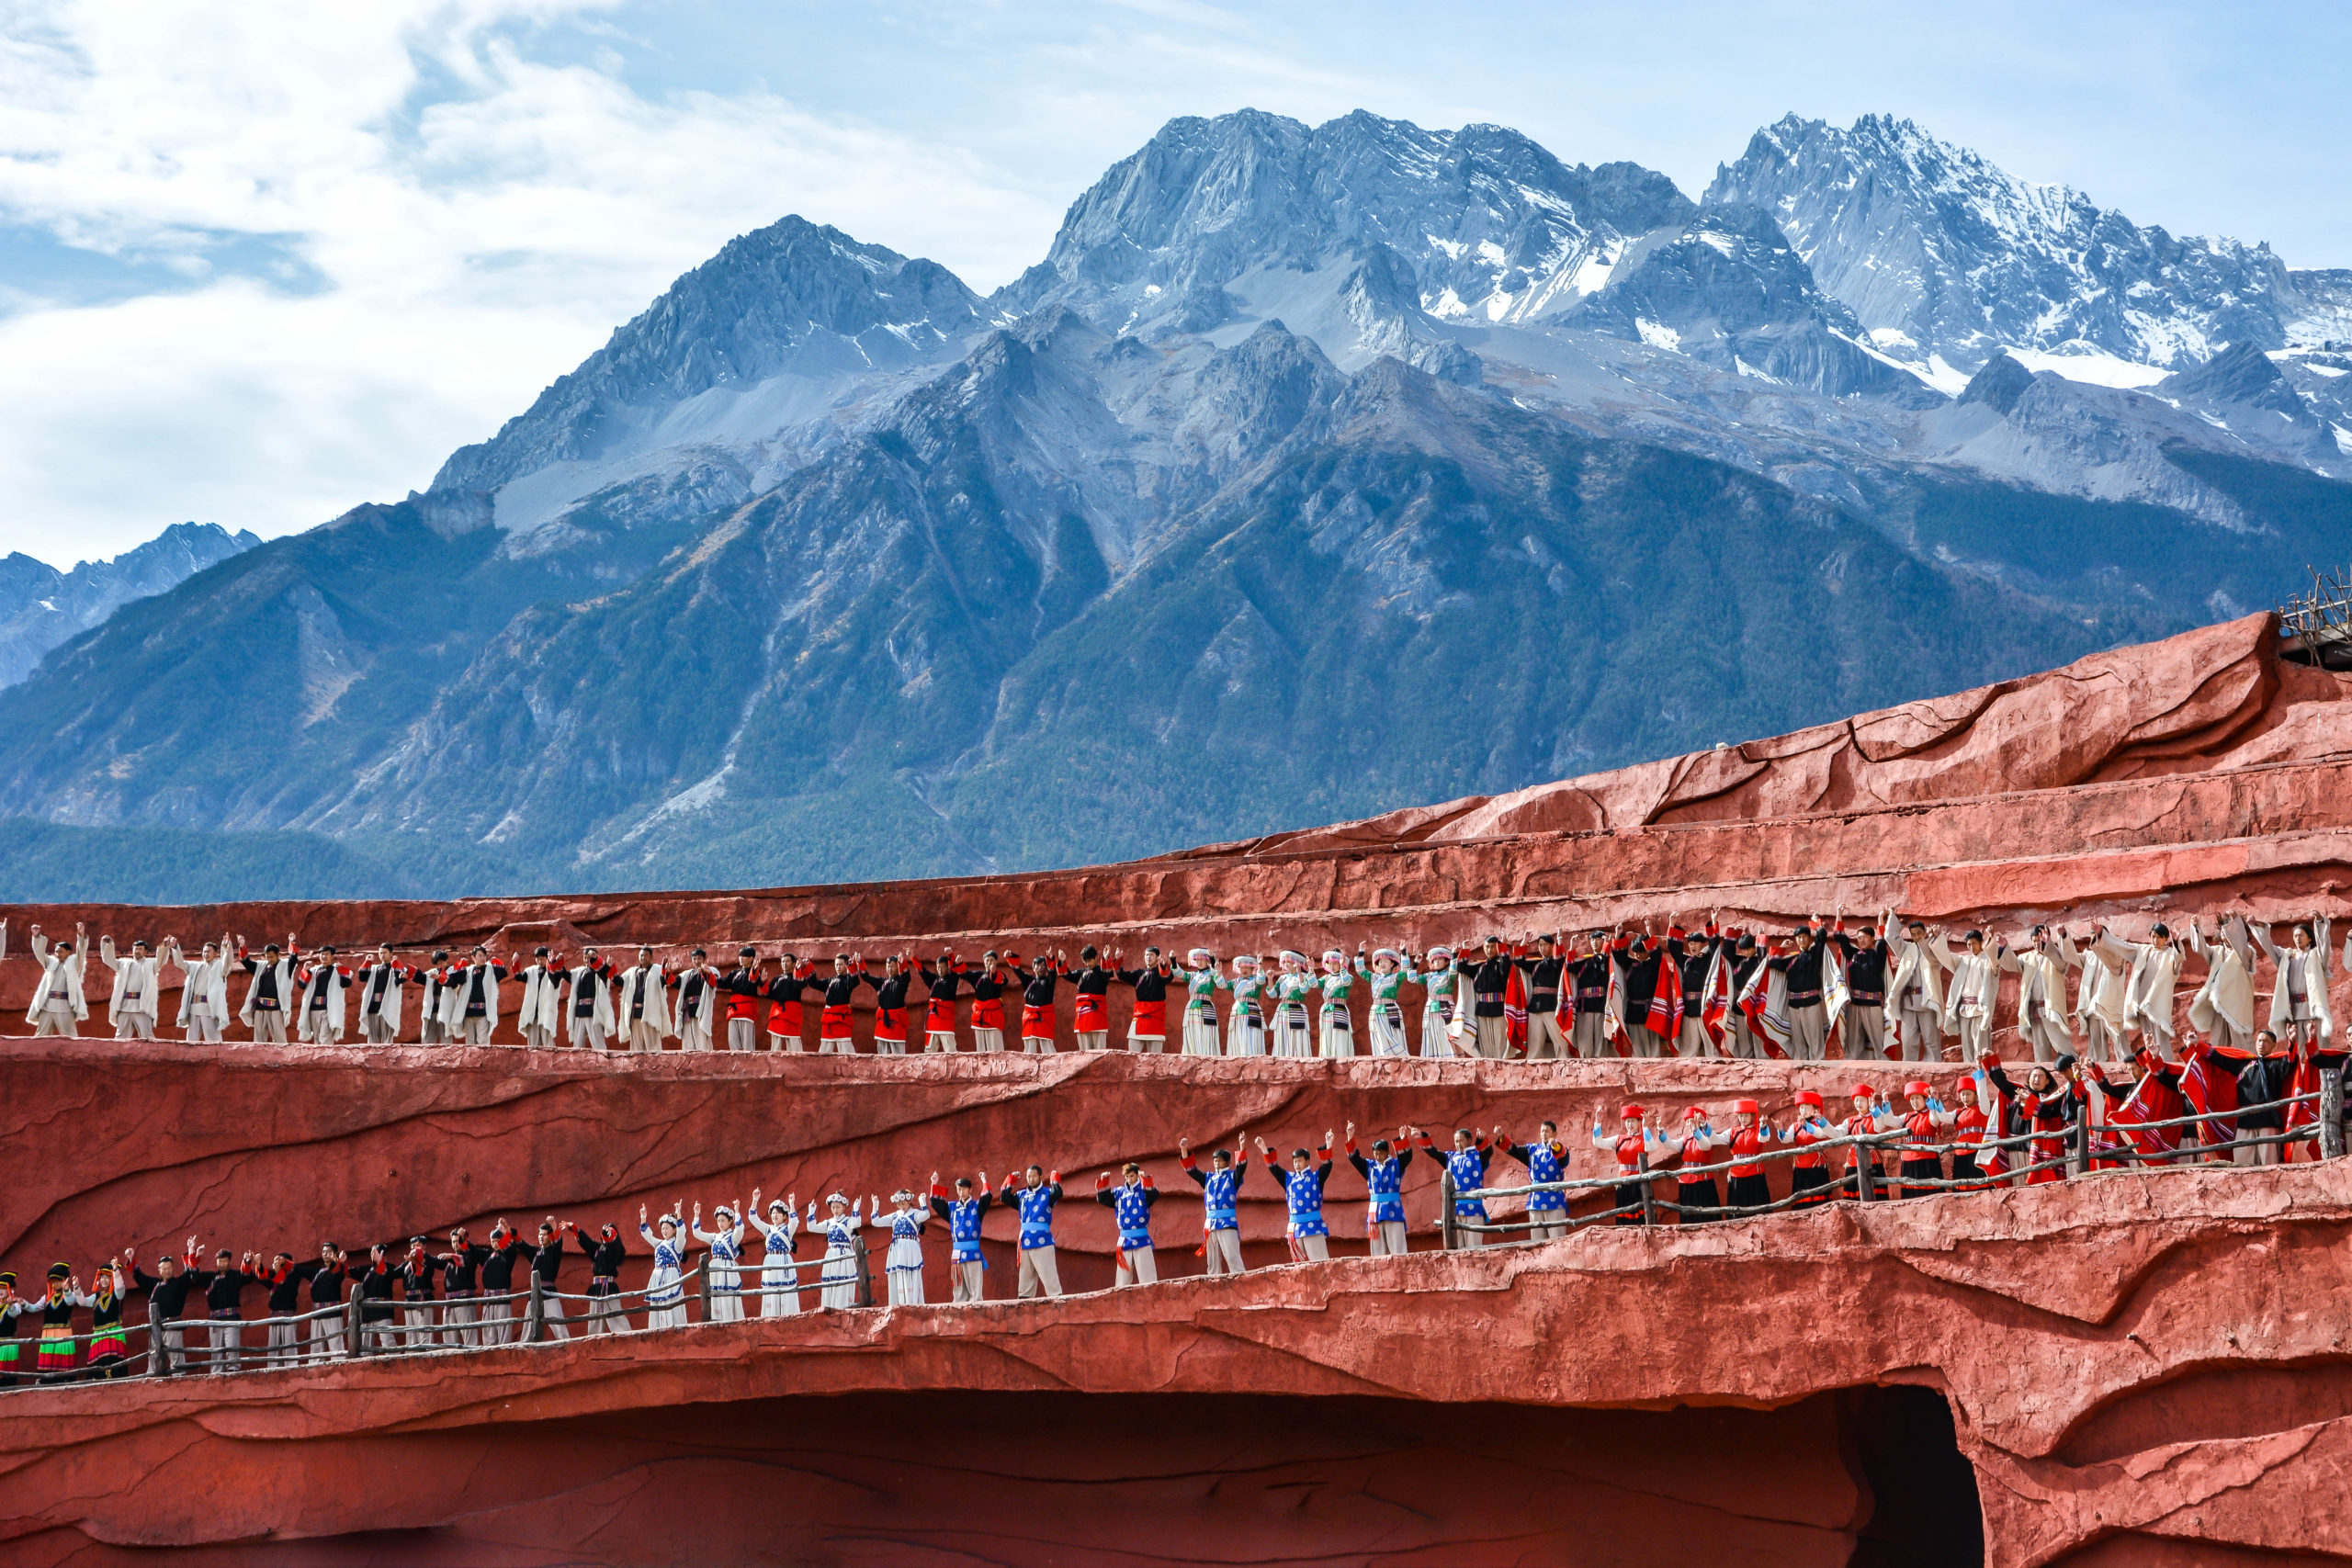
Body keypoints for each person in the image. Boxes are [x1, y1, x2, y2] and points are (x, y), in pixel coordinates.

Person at [2254, 917, 2335, 1050]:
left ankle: (2324, 1067)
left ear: (2309, 938)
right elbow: (2269, 947)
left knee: (2320, 1049)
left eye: (2301, 935)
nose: (2297, 938)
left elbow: (2323, 944)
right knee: (2298, 1051)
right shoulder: (2287, 956)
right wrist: (2259, 928)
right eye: (2295, 936)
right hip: (2294, 1012)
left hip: (2313, 1010)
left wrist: (2320, 922)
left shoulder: (2317, 956)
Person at [127, 1241, 203, 1374]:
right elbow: (139, 1276)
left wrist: (191, 1249)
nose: (168, 1271)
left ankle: (179, 1379)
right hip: (156, 1328)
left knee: (176, 1358)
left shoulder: (180, 1283)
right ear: (159, 1270)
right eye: (164, 1268)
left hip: (173, 1325)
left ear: (173, 1268)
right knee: (154, 1358)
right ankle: (154, 1380)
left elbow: (189, 1271)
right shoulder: (154, 1285)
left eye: (170, 1268)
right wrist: (131, 1258)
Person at [2001, 926, 2074, 1063]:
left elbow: (2062, 964)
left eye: (2039, 940)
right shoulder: (2027, 958)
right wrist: (2004, 948)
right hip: (2034, 1010)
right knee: (2040, 1052)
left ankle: (2076, 1071)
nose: (2036, 944)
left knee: (2064, 1047)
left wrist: (2049, 945)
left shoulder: (2055, 956)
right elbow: (2012, 965)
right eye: (2034, 941)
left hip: (2051, 1010)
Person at [1180, 1137, 1251, 1274]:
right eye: (1215, 1160)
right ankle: (1213, 1285)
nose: (1216, 1163)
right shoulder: (1208, 1178)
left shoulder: (1233, 1177)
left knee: (1233, 1259)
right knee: (1212, 1263)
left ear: (1227, 1162)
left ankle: (1243, 1284)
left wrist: (1242, 1147)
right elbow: (1192, 1171)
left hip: (1227, 1223)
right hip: (1210, 1225)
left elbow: (1241, 1167)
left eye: (1219, 1160)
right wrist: (1184, 1150)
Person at [1590, 1106, 1671, 1224]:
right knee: (1623, 1212)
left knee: (1640, 1213)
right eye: (1627, 1121)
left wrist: (1645, 1127)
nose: (1629, 1124)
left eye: (1632, 1121)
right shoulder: (1619, 1139)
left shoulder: (1643, 1138)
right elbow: (1598, 1142)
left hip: (1639, 1181)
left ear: (1639, 1122)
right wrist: (1598, 1122)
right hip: (1623, 1181)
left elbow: (1651, 1147)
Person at [2064, 927, 2132, 1064]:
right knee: (2096, 1046)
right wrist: (2064, 936)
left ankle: (2128, 1066)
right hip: (2093, 1007)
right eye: (2093, 938)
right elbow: (2071, 956)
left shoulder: (2115, 953)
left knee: (2120, 1041)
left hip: (2111, 1005)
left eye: (2099, 936)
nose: (2095, 940)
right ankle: (2096, 1069)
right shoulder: (2089, 956)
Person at [1261, 1134, 1334, 1261]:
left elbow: (1326, 1166)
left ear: (1307, 1161)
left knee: (1320, 1263)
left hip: (1313, 1227)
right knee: (1299, 1267)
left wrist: (1329, 1144)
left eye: (1300, 1160)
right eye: (1295, 1161)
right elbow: (1274, 1169)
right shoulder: (1289, 1179)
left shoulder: (1316, 1177)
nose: (1297, 1164)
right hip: (1294, 1229)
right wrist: (1263, 1148)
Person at [1345, 1124, 1415, 1255]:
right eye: (1375, 1153)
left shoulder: (1396, 1164)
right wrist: (1350, 1136)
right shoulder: (1370, 1167)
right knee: (1377, 1252)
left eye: (1381, 1153)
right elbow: (1354, 1158)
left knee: (1398, 1250)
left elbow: (1406, 1157)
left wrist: (1402, 1139)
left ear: (1387, 1152)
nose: (1378, 1156)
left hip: (1393, 1210)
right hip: (1375, 1213)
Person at [1494, 1122, 1570, 1240]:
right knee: (1537, 1241)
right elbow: (1515, 1151)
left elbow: (1564, 1160)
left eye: (1547, 1131)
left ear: (1555, 1134)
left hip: (1555, 1200)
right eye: (1542, 1131)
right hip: (1536, 1201)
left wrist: (1555, 1146)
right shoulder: (1532, 1150)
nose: (1544, 1133)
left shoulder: (1560, 1150)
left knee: (1557, 1239)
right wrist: (1502, 1137)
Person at [1831, 919, 1894, 1061]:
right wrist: (1839, 915)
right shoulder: (1853, 954)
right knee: (1853, 1042)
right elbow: (1840, 938)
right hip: (1855, 1005)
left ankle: (1883, 1063)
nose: (1861, 940)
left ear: (1872, 938)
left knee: (1878, 1041)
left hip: (1873, 1005)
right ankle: (1851, 1064)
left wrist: (1880, 920)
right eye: (1859, 938)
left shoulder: (1878, 955)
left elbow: (1882, 942)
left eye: (1865, 937)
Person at [1421, 1127, 1497, 1247]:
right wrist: (1421, 1136)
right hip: (1455, 1211)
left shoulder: (1477, 1157)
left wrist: (1481, 1140)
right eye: (1456, 1141)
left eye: (1461, 1140)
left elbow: (1488, 1152)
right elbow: (1434, 1153)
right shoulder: (1451, 1158)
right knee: (1458, 1248)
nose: (1458, 1144)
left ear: (1469, 1140)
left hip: (1473, 1210)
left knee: (1474, 1247)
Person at [996, 1167, 1064, 1297]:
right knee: (1025, 1277)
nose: (1031, 1179)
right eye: (1029, 1176)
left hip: (1043, 1240)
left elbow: (1058, 1193)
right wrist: (1011, 1179)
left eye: (1034, 1176)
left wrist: (1054, 1179)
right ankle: (1024, 1301)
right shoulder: (1022, 1195)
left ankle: (1057, 1300)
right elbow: (1005, 1197)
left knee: (1049, 1275)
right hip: (1025, 1241)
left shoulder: (1047, 1193)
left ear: (1040, 1177)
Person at [1887, 919, 1948, 1064]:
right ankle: (1909, 1069)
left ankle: (1933, 1068)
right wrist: (1892, 916)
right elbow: (1890, 937)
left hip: (1928, 1002)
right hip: (1908, 1003)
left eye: (1919, 933)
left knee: (1931, 1041)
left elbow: (1943, 956)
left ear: (1925, 932)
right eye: (1913, 934)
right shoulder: (1906, 949)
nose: (1916, 937)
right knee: (1908, 1041)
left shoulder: (1933, 948)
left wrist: (1937, 937)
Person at [189, 1246, 257, 1373]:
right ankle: (216, 1372)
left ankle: (233, 1370)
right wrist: (194, 1253)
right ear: (216, 1262)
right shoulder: (210, 1277)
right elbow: (194, 1274)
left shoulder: (235, 1276)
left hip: (232, 1318)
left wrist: (247, 1261)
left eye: (225, 1261)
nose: (222, 1264)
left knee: (232, 1346)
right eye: (219, 1261)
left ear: (229, 1262)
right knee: (216, 1349)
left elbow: (247, 1277)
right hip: (215, 1319)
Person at [2233, 1030, 2296, 1167]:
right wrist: (2198, 1045)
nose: (2262, 1044)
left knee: (2270, 1165)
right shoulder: (2244, 1065)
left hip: (2268, 1121)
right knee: (2241, 1164)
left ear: (2274, 1045)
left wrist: (2291, 1041)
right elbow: (2219, 1058)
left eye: (2266, 1041)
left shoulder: (2276, 1065)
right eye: (2259, 1040)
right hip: (2245, 1121)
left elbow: (2291, 1060)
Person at [1094, 1164, 1161, 1284]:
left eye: (1132, 1176)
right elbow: (1104, 1199)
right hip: (1124, 1241)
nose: (1129, 1179)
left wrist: (1145, 1179)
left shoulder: (1143, 1191)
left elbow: (1154, 1196)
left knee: (1148, 1279)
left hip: (1142, 1240)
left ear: (1137, 1175)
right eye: (1127, 1176)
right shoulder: (1119, 1192)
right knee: (1122, 1282)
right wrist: (1104, 1181)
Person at [928, 1174, 990, 1303]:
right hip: (957, 1254)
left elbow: (987, 1197)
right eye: (959, 1189)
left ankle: (977, 1308)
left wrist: (984, 1181)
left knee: (975, 1289)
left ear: (970, 1190)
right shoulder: (952, 1208)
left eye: (964, 1189)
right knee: (959, 1290)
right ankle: (958, 1308)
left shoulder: (977, 1206)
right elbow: (935, 1202)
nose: (961, 1192)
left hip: (973, 1253)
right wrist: (934, 1183)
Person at [1894, 1081, 1958, 1197]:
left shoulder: (1931, 1114)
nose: (1914, 1102)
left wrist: (1932, 1101)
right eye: (1912, 1099)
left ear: (1925, 1099)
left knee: (1930, 1193)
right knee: (1910, 1194)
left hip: (1927, 1161)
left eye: (1917, 1098)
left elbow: (1934, 1118)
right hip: (1908, 1161)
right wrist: (1884, 1104)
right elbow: (1889, 1120)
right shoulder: (1906, 1117)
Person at [25, 923, 90, 1037]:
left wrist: (81, 935)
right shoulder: (50, 963)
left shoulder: (74, 964)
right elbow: (40, 954)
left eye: (61, 952)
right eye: (56, 952)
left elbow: (81, 952)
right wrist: (36, 937)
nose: (58, 954)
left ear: (68, 952)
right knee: (40, 1037)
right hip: (47, 1006)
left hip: (65, 1008)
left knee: (71, 1037)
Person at [1717, 1100, 1781, 1215]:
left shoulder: (1758, 1130)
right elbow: (1715, 1139)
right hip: (1736, 1173)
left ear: (1752, 1116)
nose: (1743, 1118)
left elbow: (1764, 1138)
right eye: (1741, 1116)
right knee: (1737, 1208)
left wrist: (1763, 1126)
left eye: (1746, 1115)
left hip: (1755, 1172)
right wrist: (1704, 1127)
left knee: (1758, 1205)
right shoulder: (1732, 1131)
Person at [1513, 935, 1571, 1060]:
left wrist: (1559, 942)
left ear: (1551, 946)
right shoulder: (1535, 964)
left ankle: (1564, 1059)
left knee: (1558, 1037)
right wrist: (1524, 942)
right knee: (1534, 1039)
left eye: (1545, 944)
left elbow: (1561, 958)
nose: (1542, 947)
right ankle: (1532, 1061)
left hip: (1551, 1005)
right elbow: (1518, 961)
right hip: (1535, 1005)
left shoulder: (1557, 963)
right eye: (1540, 945)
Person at [1666, 1108, 1728, 1224]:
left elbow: (1704, 1145)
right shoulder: (1685, 1139)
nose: (1689, 1124)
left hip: (1702, 1178)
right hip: (1686, 1178)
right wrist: (1661, 1131)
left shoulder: (1707, 1137)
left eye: (1692, 1121)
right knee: (1687, 1207)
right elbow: (1671, 1144)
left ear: (1698, 1122)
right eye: (1688, 1122)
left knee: (1704, 1207)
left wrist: (1696, 1131)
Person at [1455, 937, 1513, 1059]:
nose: (1489, 950)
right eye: (1487, 947)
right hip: (1482, 1008)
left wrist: (1503, 946)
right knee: (1485, 1042)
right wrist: (1465, 950)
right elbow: (1461, 968)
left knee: (1500, 1040)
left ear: (1497, 948)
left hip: (1499, 1008)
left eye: (1493, 947)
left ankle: (1501, 1064)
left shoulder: (1501, 966)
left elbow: (1506, 965)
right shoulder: (1478, 967)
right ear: (1483, 947)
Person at [97, 935, 163, 1041]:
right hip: (125, 1007)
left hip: (142, 1008)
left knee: (147, 1037)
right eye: (135, 948)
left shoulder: (151, 964)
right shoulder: (123, 963)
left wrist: (164, 947)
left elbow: (161, 960)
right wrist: (108, 945)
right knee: (120, 1038)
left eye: (140, 949)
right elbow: (108, 959)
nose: (137, 951)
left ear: (145, 951)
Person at [441, 946, 509, 1046]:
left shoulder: (490, 970)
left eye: (484, 956)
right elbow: (455, 980)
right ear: (473, 957)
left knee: (483, 1042)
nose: (483, 958)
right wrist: (459, 967)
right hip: (469, 1013)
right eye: (480, 956)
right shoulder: (468, 971)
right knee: (470, 1043)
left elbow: (502, 974)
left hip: (483, 1013)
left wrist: (497, 963)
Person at [235, 939, 299, 1044]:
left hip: (276, 1008)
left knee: (279, 1037)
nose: (269, 959)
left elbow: (293, 959)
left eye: (272, 957)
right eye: (267, 957)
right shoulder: (261, 966)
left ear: (278, 954)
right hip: (260, 1007)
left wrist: (291, 943)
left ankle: (281, 1055)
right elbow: (247, 962)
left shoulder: (285, 966)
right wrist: (242, 946)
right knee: (258, 1038)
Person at [171, 936, 233, 1043]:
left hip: (209, 1009)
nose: (206, 954)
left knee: (213, 1041)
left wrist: (227, 948)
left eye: (209, 951)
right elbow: (180, 963)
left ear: (215, 954)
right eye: (204, 951)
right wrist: (176, 947)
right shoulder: (195, 966)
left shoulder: (219, 966)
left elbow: (227, 962)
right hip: (193, 1008)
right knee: (191, 1041)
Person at [437, 1227, 493, 1347]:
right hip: (449, 1302)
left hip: (465, 1301)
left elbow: (464, 1261)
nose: (455, 1244)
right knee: (449, 1339)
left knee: (470, 1337)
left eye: (458, 1241)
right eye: (453, 1241)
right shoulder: (448, 1259)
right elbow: (434, 1261)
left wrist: (451, 1256)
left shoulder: (470, 1257)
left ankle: (472, 1358)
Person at [638, 1205, 691, 1329]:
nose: (664, 1231)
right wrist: (643, 1217)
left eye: (667, 1228)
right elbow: (647, 1235)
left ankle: (675, 1327)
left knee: (672, 1302)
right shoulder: (658, 1243)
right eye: (662, 1228)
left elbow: (682, 1233)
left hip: (671, 1276)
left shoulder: (677, 1245)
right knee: (657, 1303)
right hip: (657, 1277)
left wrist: (679, 1215)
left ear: (674, 1230)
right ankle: (657, 1328)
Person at [692, 1201, 746, 1321]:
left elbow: (740, 1229)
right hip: (715, 1271)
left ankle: (729, 1319)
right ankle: (717, 1319)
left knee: (727, 1295)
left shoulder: (733, 1237)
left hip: (727, 1270)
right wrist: (696, 1214)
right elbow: (697, 1233)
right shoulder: (714, 1237)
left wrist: (737, 1211)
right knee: (715, 1295)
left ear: (730, 1221)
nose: (720, 1223)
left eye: (723, 1220)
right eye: (718, 1221)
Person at [78, 1258, 132, 1379]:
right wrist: (76, 1288)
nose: (103, 1280)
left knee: (113, 1361)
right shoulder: (95, 1296)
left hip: (114, 1332)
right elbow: (82, 1302)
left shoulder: (118, 1294)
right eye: (102, 1277)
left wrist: (116, 1270)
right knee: (98, 1363)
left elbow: (119, 1287)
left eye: (107, 1277)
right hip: (98, 1335)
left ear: (112, 1278)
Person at [749, 1192, 800, 1317]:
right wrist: (755, 1200)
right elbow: (753, 1218)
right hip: (770, 1262)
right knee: (771, 1290)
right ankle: (771, 1316)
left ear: (784, 1216)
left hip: (783, 1261)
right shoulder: (768, 1229)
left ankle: (788, 1316)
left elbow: (794, 1221)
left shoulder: (788, 1229)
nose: (774, 1215)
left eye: (778, 1213)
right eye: (772, 1213)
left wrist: (792, 1204)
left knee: (785, 1289)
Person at [1357, 950, 1416, 1059]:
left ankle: (1400, 1058)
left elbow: (1405, 970)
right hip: (1376, 1011)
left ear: (1392, 964)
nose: (1382, 964)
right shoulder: (1373, 978)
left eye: (1385, 961)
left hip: (1390, 1010)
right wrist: (1360, 953)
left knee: (1394, 1035)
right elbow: (1361, 971)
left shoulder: (1395, 977)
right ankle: (1381, 1058)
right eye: (1380, 962)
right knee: (1378, 1036)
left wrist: (1403, 953)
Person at [808, 1194, 865, 1309]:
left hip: (844, 1255)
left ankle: (843, 1306)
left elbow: (857, 1223)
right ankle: (829, 1307)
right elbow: (811, 1227)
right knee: (831, 1280)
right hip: (831, 1254)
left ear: (844, 1207)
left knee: (843, 1279)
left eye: (838, 1207)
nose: (835, 1210)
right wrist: (812, 1211)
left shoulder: (848, 1221)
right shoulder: (828, 1223)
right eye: (833, 1207)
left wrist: (856, 1208)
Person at [873, 1190, 929, 1303]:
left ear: (909, 1201)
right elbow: (876, 1222)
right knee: (899, 1272)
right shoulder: (895, 1216)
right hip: (897, 1248)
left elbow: (926, 1215)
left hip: (911, 1247)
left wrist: (922, 1202)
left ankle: (912, 1301)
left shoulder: (915, 1214)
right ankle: (899, 1301)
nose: (901, 1206)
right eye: (899, 1204)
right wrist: (875, 1205)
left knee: (911, 1273)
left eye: (903, 1203)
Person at [1783, 1091, 1838, 1206]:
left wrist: (1806, 1125)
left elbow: (1820, 1134)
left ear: (1815, 1108)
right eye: (1801, 1107)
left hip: (1816, 1165)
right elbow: (1786, 1139)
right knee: (1802, 1200)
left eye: (1807, 1107)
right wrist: (1779, 1129)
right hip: (1800, 1166)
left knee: (1819, 1200)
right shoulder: (1795, 1126)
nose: (1803, 1110)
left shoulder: (1821, 1123)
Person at [613, 947, 672, 1053]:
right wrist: (610, 967)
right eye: (641, 955)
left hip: (651, 1013)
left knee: (653, 1046)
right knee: (636, 1047)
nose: (643, 957)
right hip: (635, 1013)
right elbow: (620, 982)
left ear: (651, 957)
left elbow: (664, 981)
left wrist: (666, 971)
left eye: (646, 955)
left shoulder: (657, 970)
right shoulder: (631, 972)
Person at [1117, 947, 1173, 1053]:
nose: (1148, 957)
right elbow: (1122, 975)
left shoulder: (1161, 973)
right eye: (1147, 955)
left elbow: (1168, 977)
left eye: (1151, 955)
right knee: (1132, 1053)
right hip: (1140, 1015)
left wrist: (1163, 965)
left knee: (1155, 1057)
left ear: (1157, 957)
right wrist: (1119, 960)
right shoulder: (1139, 974)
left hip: (1156, 1017)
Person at [352, 946, 411, 1045]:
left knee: (387, 1041)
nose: (382, 955)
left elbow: (400, 978)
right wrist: (367, 962)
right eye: (380, 953)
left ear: (391, 954)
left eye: (385, 952)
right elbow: (362, 977)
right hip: (373, 1007)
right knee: (372, 1040)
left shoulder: (395, 967)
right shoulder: (374, 968)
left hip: (387, 1007)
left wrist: (400, 974)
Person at [577, 1224, 628, 1336]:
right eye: (604, 1231)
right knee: (595, 1316)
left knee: (616, 1314)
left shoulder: (617, 1249)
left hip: (609, 1287)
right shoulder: (598, 1249)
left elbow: (615, 1247)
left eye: (608, 1231)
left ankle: (626, 1336)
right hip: (596, 1288)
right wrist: (575, 1229)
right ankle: (594, 1339)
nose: (605, 1233)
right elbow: (587, 1243)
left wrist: (612, 1234)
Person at [293, 946, 351, 1045]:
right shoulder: (313, 971)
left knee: (325, 1038)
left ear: (332, 956)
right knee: (316, 1038)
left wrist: (342, 971)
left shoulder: (337, 970)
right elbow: (301, 985)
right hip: (313, 1009)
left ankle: (327, 1055)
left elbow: (346, 984)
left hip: (329, 1009)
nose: (324, 956)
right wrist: (305, 970)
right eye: (322, 954)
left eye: (326, 954)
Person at [713, 946, 766, 1053]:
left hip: (747, 1011)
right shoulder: (735, 973)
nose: (741, 958)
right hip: (733, 1011)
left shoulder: (757, 972)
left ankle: (750, 1062)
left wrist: (755, 970)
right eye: (740, 956)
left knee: (747, 1045)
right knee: (733, 1042)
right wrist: (708, 974)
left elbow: (755, 981)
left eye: (744, 956)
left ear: (751, 958)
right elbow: (723, 983)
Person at [862, 954, 918, 1055]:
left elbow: (906, 976)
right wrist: (859, 962)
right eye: (888, 966)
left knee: (899, 1057)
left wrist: (902, 963)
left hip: (896, 1024)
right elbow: (867, 977)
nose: (890, 969)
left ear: (897, 967)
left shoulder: (901, 982)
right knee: (882, 1056)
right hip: (882, 1025)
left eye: (892, 966)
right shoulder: (882, 982)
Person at [562, 948, 616, 1052]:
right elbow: (567, 975)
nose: (588, 960)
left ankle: (603, 1061)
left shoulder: (599, 971)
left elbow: (604, 973)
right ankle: (577, 1061)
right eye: (585, 957)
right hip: (579, 1011)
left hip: (593, 1012)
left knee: (598, 1043)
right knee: (577, 1044)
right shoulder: (578, 972)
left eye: (590, 957)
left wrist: (606, 965)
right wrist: (557, 962)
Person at [763, 952, 818, 1053]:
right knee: (775, 1046)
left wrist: (798, 970)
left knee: (794, 1044)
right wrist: (763, 982)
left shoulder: (798, 976)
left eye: (787, 961)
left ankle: (798, 1062)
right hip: (777, 1013)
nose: (784, 963)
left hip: (792, 1014)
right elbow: (767, 995)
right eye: (782, 961)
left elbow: (800, 984)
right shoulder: (777, 979)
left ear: (793, 963)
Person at [478, 1228, 524, 1343]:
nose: (495, 1244)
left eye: (497, 1241)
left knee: (503, 1330)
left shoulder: (507, 1256)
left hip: (502, 1298)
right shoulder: (487, 1256)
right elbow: (472, 1251)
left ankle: (504, 1352)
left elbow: (512, 1249)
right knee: (488, 1331)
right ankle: (489, 1352)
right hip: (488, 1298)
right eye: (492, 1241)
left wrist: (506, 1234)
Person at [352, 1245, 401, 1353]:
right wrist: (341, 1263)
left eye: (375, 1252)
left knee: (387, 1340)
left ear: (384, 1254)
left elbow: (385, 1273)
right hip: (368, 1312)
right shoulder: (367, 1270)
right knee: (365, 1345)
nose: (373, 1255)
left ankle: (393, 1360)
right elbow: (350, 1271)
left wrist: (380, 1262)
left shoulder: (390, 1267)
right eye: (371, 1253)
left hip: (383, 1311)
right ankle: (366, 1362)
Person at [514, 947, 565, 1050]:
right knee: (533, 1044)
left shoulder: (554, 972)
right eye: (538, 959)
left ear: (547, 958)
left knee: (548, 1042)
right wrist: (515, 963)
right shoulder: (530, 971)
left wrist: (552, 963)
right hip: (532, 1013)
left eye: (542, 959)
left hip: (546, 1011)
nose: (540, 961)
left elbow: (555, 981)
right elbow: (519, 977)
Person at [918, 951, 968, 1052]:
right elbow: (923, 971)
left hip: (946, 1021)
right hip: (932, 1021)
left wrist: (950, 955)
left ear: (947, 967)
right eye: (938, 967)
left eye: (943, 967)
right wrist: (912, 957)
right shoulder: (934, 980)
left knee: (951, 1051)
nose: (940, 970)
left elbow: (954, 968)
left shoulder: (952, 979)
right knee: (929, 1052)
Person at [1016, 953, 1066, 1055]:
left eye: (1043, 966)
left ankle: (1052, 1063)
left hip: (1045, 1016)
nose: (1041, 968)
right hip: (1030, 1016)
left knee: (1047, 1045)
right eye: (1038, 965)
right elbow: (1018, 971)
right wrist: (1010, 956)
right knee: (1029, 1047)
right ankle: (1029, 1064)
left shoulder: (1049, 981)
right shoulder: (1029, 981)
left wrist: (1051, 959)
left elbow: (1052, 972)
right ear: (1033, 968)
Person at [1270, 951, 1317, 1058]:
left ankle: (1297, 1058)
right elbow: (1273, 994)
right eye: (1284, 962)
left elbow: (1305, 990)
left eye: (1288, 962)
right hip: (1282, 1010)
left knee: (1296, 1036)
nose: (1286, 964)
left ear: (1297, 963)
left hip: (1296, 1009)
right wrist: (1270, 980)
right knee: (1282, 1036)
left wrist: (1299, 974)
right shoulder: (1282, 978)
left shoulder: (1305, 976)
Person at [672, 949, 719, 1053]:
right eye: (694, 958)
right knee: (687, 1043)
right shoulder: (686, 974)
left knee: (702, 1042)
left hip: (701, 1010)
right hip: (687, 1011)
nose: (697, 961)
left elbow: (714, 982)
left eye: (699, 958)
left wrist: (706, 972)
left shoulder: (711, 970)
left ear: (705, 959)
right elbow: (674, 983)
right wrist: (665, 971)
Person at [968, 951, 1016, 1054]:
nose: (989, 962)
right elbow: (963, 973)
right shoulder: (977, 976)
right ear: (983, 961)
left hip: (994, 1017)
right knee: (981, 1050)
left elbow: (1003, 981)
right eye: (987, 960)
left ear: (996, 962)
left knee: (996, 1049)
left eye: (992, 960)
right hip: (979, 1017)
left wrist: (994, 972)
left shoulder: (1000, 975)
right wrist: (953, 959)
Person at [395, 1237, 439, 1349]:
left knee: (424, 1333)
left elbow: (426, 1272)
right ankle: (412, 1356)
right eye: (413, 1246)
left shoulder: (428, 1260)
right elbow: (394, 1274)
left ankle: (427, 1355)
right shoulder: (407, 1263)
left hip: (422, 1298)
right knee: (411, 1334)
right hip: (409, 1300)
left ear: (424, 1246)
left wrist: (418, 1260)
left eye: (417, 1245)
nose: (414, 1248)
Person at [1179, 950, 1225, 1056]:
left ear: (1207, 961)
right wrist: (1172, 960)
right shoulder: (1193, 975)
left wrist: (1212, 958)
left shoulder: (1211, 974)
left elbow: (1215, 972)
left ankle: (1207, 1057)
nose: (1199, 962)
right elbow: (1181, 974)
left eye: (1202, 960)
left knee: (1206, 1034)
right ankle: (1192, 1056)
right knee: (1192, 1034)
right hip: (1192, 1007)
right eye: (1197, 960)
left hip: (1206, 1007)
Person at [816, 954, 865, 1054]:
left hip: (842, 1020)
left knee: (847, 1052)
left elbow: (854, 982)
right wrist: (804, 968)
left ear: (846, 965)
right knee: (824, 1052)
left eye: (841, 965)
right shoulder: (830, 981)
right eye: (836, 965)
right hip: (828, 1021)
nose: (838, 967)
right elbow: (815, 983)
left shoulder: (848, 981)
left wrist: (852, 967)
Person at [1069, 946, 1114, 1051]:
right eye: (1085, 961)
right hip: (1082, 1015)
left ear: (1096, 958)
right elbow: (1068, 975)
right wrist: (1062, 961)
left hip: (1097, 1013)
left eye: (1090, 960)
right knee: (1084, 1052)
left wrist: (1106, 958)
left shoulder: (1102, 971)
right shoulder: (1081, 973)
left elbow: (1107, 973)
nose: (1088, 963)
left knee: (1099, 1051)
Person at [1417, 945, 1457, 1057]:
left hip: (1446, 1008)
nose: (1437, 962)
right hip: (1430, 1009)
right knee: (1431, 1034)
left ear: (1446, 962)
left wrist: (1454, 956)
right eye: (1434, 960)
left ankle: (1449, 1058)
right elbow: (1412, 978)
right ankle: (1432, 1056)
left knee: (1446, 1034)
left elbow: (1454, 971)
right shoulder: (1429, 976)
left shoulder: (1449, 975)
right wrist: (1416, 963)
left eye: (1440, 959)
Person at [1315, 951, 1356, 1058]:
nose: (1332, 966)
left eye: (1335, 963)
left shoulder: (1348, 977)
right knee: (1326, 1037)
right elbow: (1314, 984)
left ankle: (1342, 1062)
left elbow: (1346, 982)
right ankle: (1327, 1061)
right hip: (1327, 1010)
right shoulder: (1326, 978)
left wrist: (1342, 967)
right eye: (1330, 963)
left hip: (1340, 1010)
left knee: (1340, 1038)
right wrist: (1310, 969)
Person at [1226, 954, 1269, 1057]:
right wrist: (1218, 972)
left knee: (1252, 1037)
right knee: (1239, 1037)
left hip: (1252, 1012)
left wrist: (1260, 964)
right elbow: (1223, 985)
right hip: (1238, 1012)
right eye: (1241, 968)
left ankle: (1253, 1058)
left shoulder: (1256, 980)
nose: (1244, 970)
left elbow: (1261, 980)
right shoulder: (1236, 982)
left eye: (1246, 967)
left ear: (1252, 968)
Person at [415, 951, 453, 1045]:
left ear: (446, 960)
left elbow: (453, 982)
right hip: (432, 1011)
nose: (439, 966)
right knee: (427, 1040)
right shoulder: (433, 972)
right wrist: (408, 971)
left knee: (446, 1041)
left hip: (445, 1012)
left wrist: (440, 978)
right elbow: (421, 977)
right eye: (437, 964)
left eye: (441, 962)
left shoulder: (452, 971)